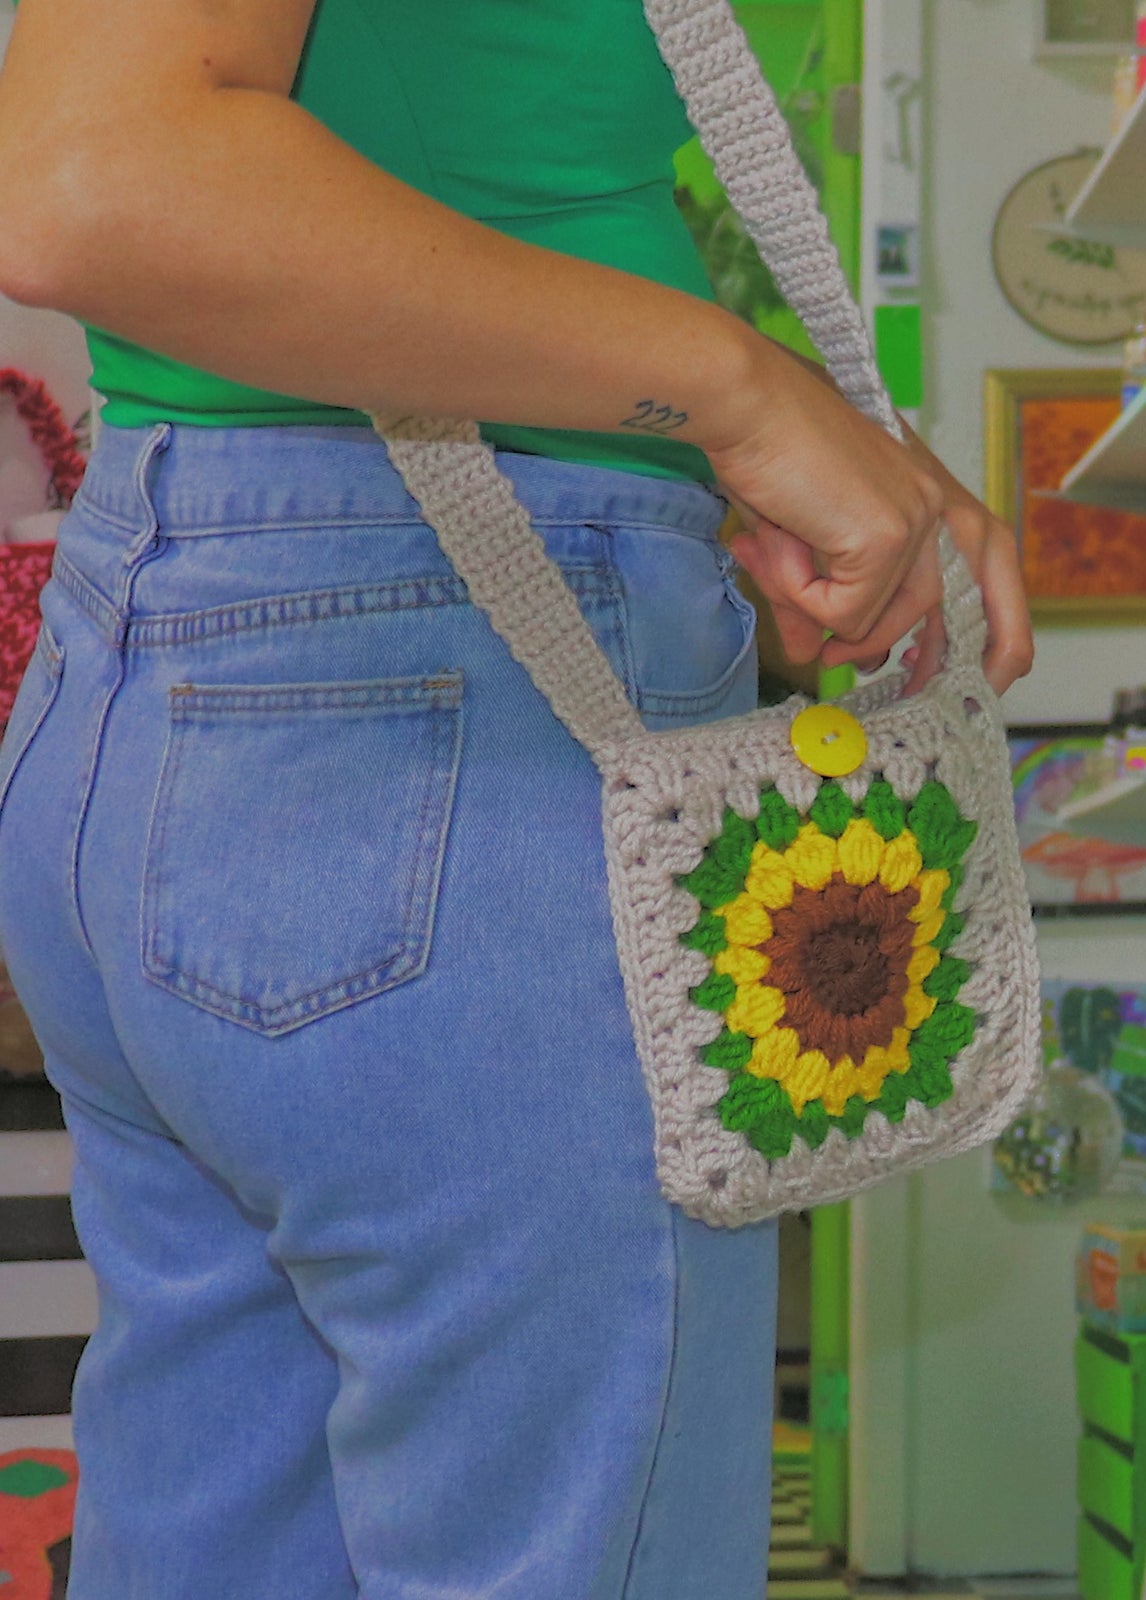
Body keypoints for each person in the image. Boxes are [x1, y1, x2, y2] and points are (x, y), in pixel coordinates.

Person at [0, 3, 1032, 1596]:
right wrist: (743, 395)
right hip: (452, 698)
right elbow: (101, 175)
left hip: (195, 684)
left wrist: (818, 441)